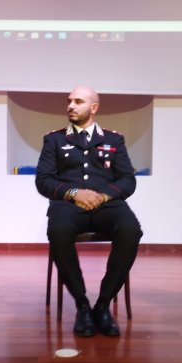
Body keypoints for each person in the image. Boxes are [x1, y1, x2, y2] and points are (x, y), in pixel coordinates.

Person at [35, 86, 143, 337]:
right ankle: (82, 304)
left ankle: (103, 304)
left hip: (107, 204)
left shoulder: (114, 139)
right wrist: (74, 193)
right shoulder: (54, 139)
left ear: (93, 108)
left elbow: (128, 180)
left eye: (78, 101)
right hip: (68, 205)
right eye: (69, 101)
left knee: (131, 230)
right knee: (58, 230)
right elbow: (44, 180)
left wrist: (103, 196)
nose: (70, 106)